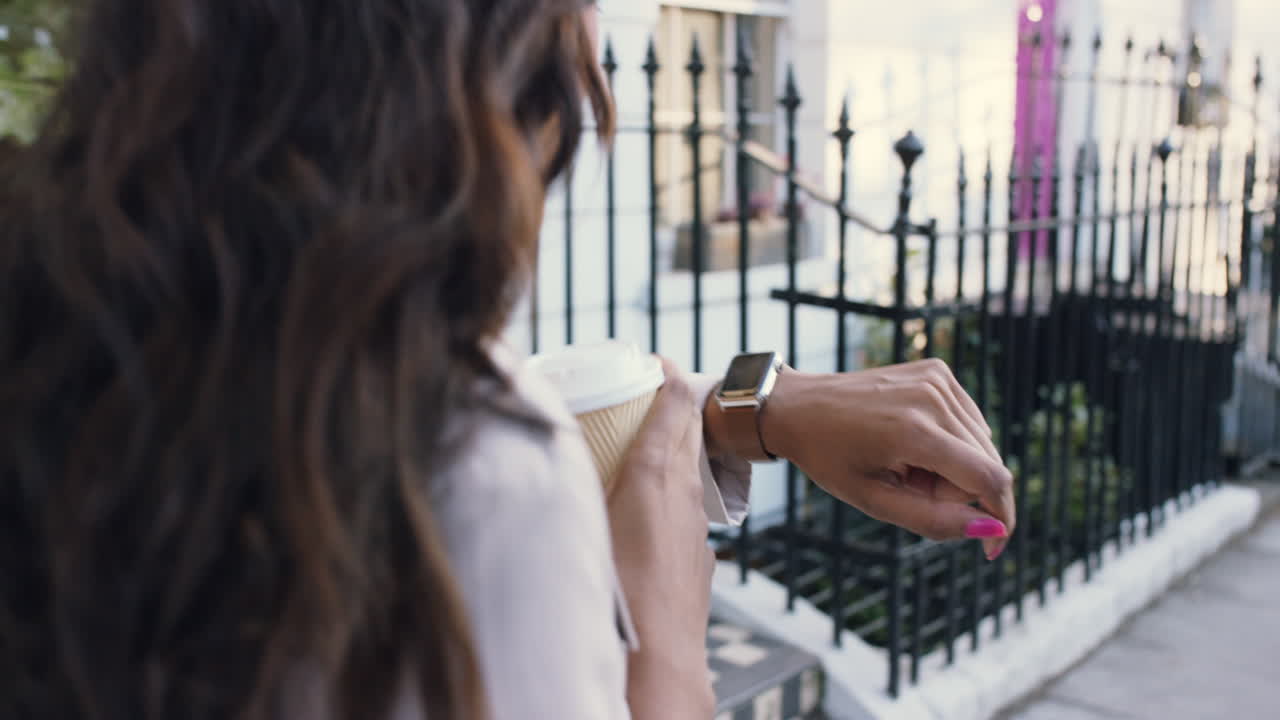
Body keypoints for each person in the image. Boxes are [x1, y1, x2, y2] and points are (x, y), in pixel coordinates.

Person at [0, 1, 1014, 719]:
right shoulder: (481, 488)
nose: (590, 80)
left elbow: (507, 387)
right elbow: (477, 440)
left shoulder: (82, 324)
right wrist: (664, 660)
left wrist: (751, 406)